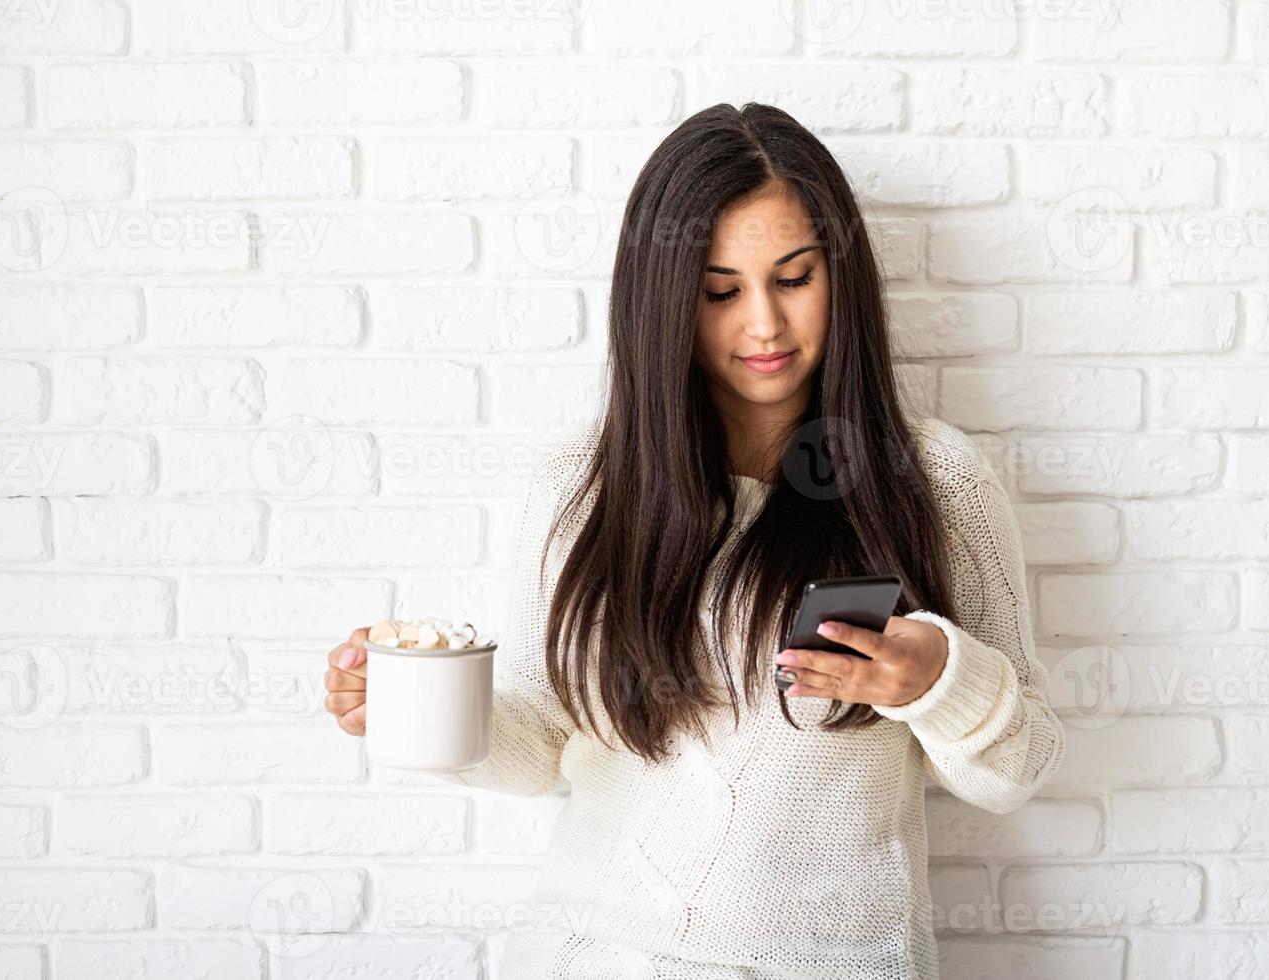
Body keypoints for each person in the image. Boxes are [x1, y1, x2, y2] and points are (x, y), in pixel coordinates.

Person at [324, 102, 1066, 979]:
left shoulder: (932, 481)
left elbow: (1019, 766)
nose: (762, 325)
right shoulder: (579, 488)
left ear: (842, 276)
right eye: (720, 291)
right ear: (664, 299)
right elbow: (539, 744)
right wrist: (423, 706)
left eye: (793, 279)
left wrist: (936, 680)